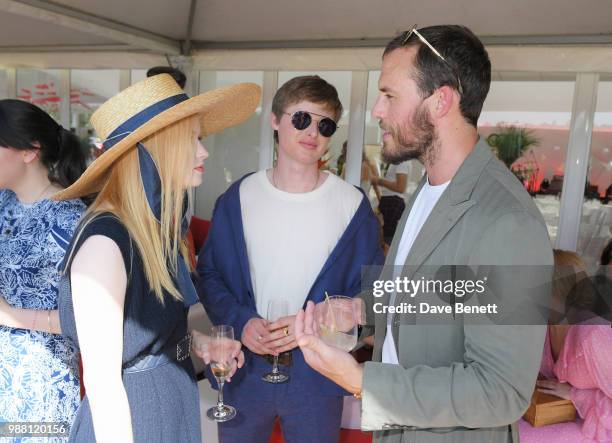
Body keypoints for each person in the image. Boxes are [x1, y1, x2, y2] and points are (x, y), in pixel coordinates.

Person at [294, 25, 554, 443]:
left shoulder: (507, 219)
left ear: (441, 101)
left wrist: (363, 381)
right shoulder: (429, 188)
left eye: (390, 95)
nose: (377, 110)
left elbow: (500, 390)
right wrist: (360, 312)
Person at [54, 74, 260, 442]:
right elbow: (102, 386)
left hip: (169, 408)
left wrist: (199, 344)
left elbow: (150, 337)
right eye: (193, 139)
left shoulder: (150, 232)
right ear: (154, 148)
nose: (204, 152)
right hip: (135, 421)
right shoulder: (105, 243)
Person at [197, 75, 384, 443]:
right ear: (275, 120)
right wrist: (242, 321)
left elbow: (374, 292)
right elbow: (210, 274)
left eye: (324, 125)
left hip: (317, 373)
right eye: (301, 119)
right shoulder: (238, 197)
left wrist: (328, 322)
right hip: (245, 366)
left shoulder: (352, 206)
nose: (312, 132)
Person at [0, 99, 87, 431]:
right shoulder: (4, 201)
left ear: (29, 151)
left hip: (38, 384)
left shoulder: (68, 219)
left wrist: (9, 315)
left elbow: (90, 320)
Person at [520, 250, 612, 442]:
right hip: (553, 415)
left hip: (597, 430)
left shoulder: (594, 337)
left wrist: (574, 394)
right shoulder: (543, 327)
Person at [371, 160, 410, 244]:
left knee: (387, 239)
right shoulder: (394, 161)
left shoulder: (401, 161)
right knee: (383, 237)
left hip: (394, 202)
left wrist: (379, 181)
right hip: (389, 201)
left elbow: (400, 187)